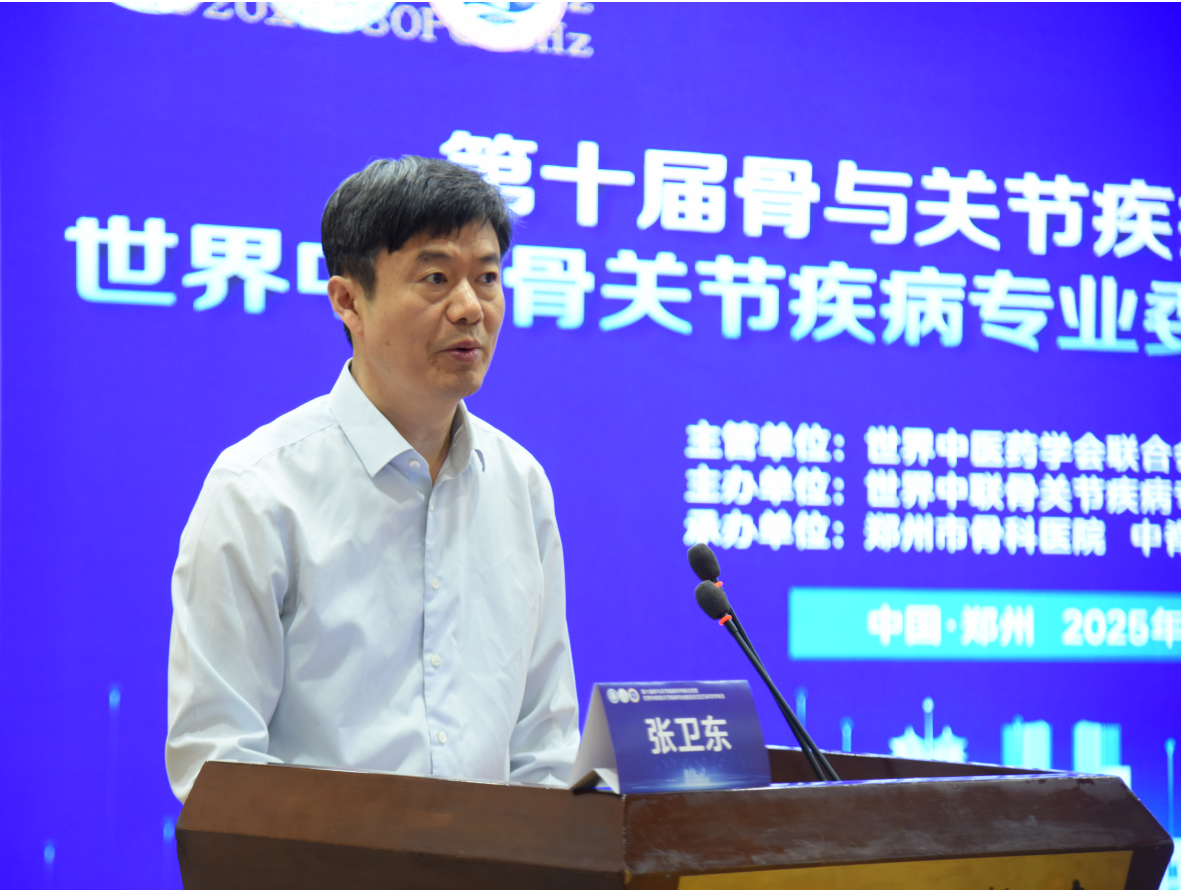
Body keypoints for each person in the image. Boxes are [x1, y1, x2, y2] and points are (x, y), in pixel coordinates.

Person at [165, 157, 579, 803]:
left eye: (488, 277)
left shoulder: (520, 485)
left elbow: (544, 745)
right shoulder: (258, 489)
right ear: (348, 300)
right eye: (436, 278)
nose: (470, 308)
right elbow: (217, 763)